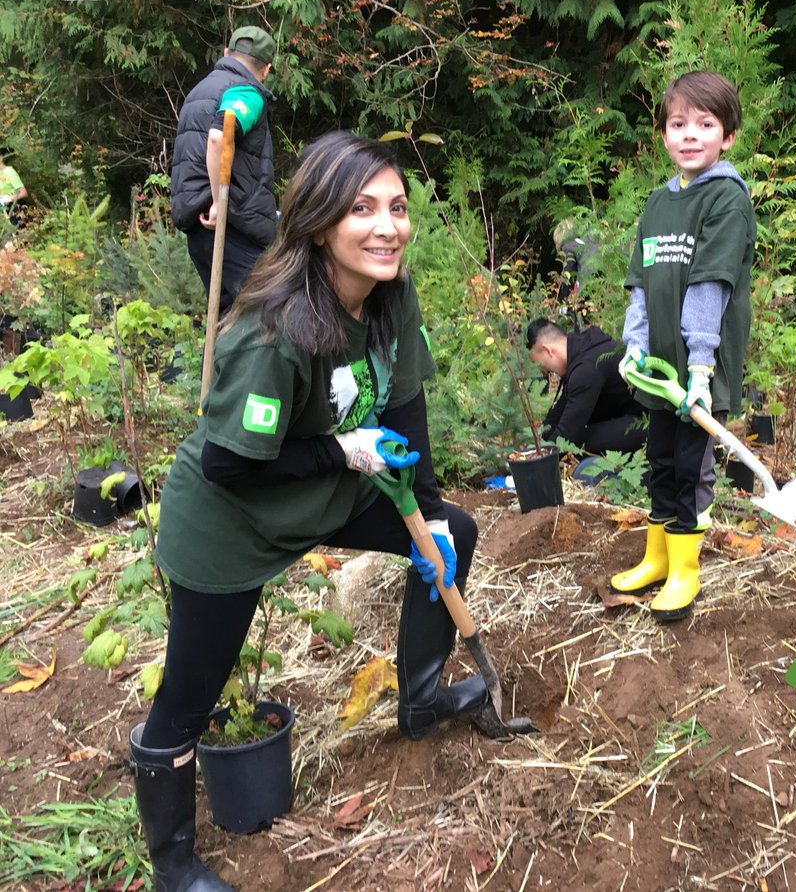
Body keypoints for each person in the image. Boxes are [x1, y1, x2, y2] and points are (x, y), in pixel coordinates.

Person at [129, 131, 517, 892]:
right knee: (189, 696)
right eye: (362, 207)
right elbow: (229, 464)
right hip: (228, 523)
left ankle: (423, 698)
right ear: (318, 222)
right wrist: (346, 452)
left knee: (453, 533)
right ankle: (173, 862)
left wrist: (426, 514)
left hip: (324, 493)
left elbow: (405, 403)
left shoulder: (388, 295)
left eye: (398, 207)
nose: (387, 226)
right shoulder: (274, 326)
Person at [612, 71, 756, 623]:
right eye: (678, 124)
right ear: (664, 134)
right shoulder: (657, 204)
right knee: (660, 461)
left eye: (705, 124)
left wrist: (699, 366)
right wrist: (634, 345)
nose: (690, 135)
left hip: (700, 368)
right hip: (659, 368)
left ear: (728, 136)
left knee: (691, 465)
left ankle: (685, 571)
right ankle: (655, 557)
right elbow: (642, 285)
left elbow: (709, 287)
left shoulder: (725, 198)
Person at [171, 26, 279, 316]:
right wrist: (220, 202)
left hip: (199, 225)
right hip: (230, 227)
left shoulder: (200, 90)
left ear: (226, 53)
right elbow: (220, 135)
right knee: (267, 314)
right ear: (266, 69)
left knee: (229, 320)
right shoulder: (246, 91)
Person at [525, 317, 646, 474]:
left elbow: (568, 434)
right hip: (628, 418)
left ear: (548, 350)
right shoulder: (582, 352)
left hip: (646, 424)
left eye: (542, 365)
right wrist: (534, 448)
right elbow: (559, 414)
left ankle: (613, 474)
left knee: (580, 441)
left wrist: (534, 469)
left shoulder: (586, 369)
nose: (545, 371)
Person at [0, 148, 28, 226]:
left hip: (16, 208)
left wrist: (7, 199)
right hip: (4, 210)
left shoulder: (10, 172)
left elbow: (24, 193)